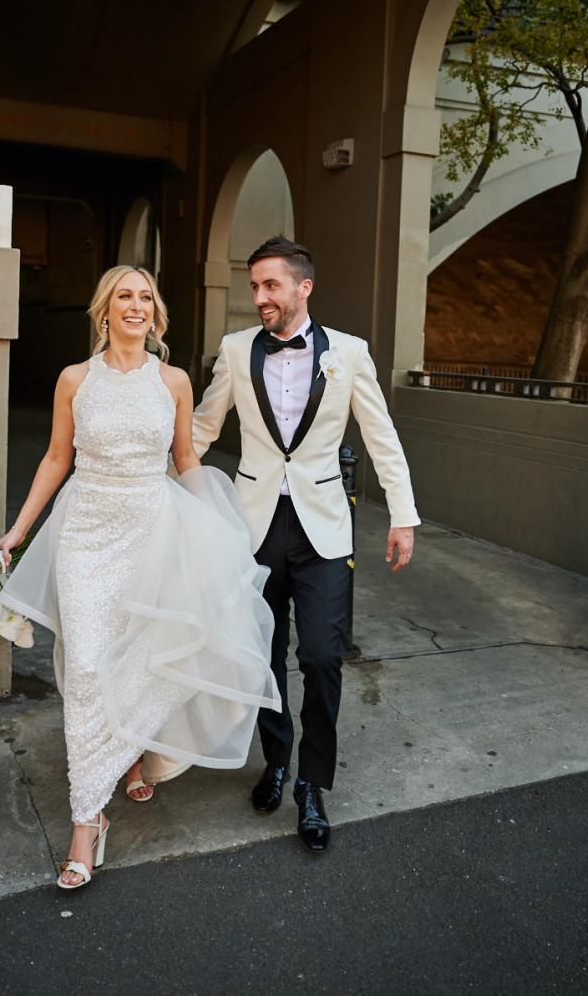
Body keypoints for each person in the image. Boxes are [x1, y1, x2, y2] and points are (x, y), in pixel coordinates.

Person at [0, 265, 280, 890]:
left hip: (153, 528)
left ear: (156, 311)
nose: (136, 306)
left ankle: (133, 753)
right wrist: (18, 531)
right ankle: (86, 820)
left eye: (146, 296)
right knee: (91, 662)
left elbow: (185, 458)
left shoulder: (172, 380)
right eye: (125, 296)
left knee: (144, 654)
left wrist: (213, 533)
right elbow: (55, 458)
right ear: (104, 308)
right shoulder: (75, 380)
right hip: (87, 533)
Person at [192, 235, 419, 852]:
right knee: (261, 652)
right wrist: (147, 477)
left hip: (322, 526)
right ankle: (276, 760)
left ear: (302, 287)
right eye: (254, 286)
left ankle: (312, 786)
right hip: (253, 525)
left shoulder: (348, 353)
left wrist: (404, 514)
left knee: (320, 654)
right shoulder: (237, 350)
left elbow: (381, 436)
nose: (259, 297)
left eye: (271, 285)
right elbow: (203, 429)